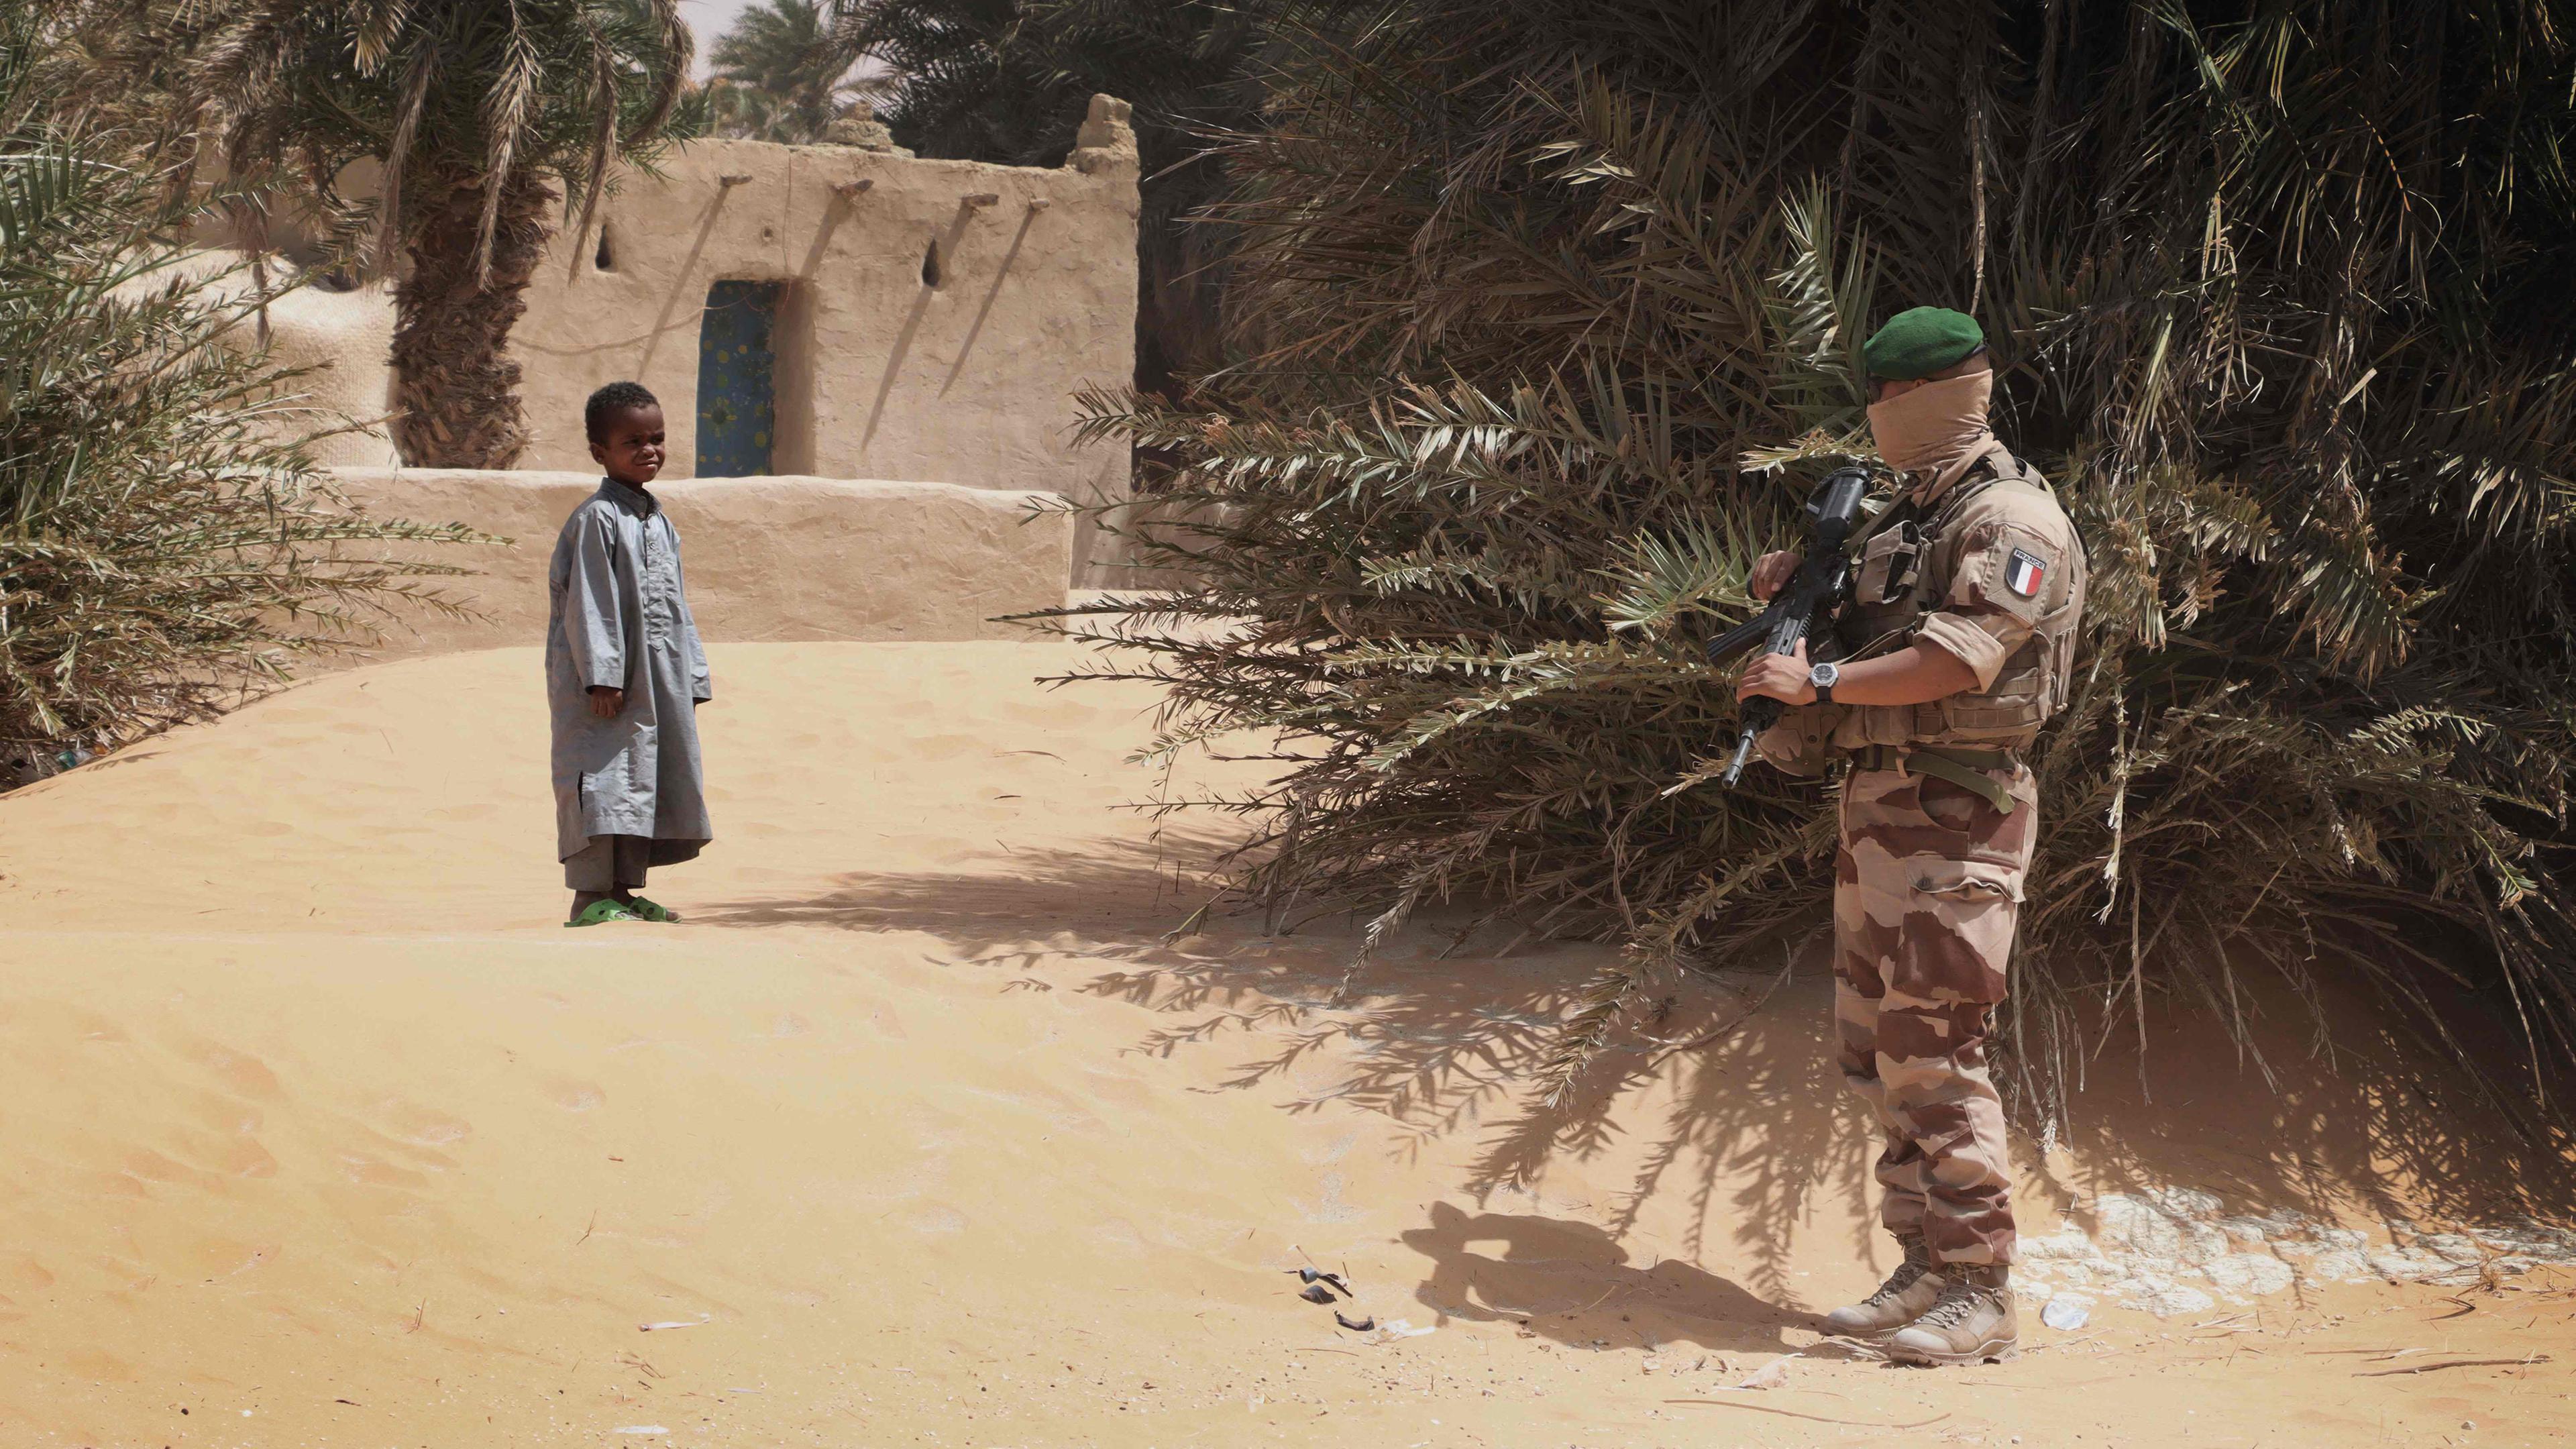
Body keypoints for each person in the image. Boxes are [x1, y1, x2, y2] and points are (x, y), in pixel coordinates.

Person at [1733, 307, 2086, 1365]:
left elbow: (1959, 656)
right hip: (1884, 812)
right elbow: (1879, 636)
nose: (1877, 416)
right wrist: (1795, 603)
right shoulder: (1911, 519)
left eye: (1885, 398)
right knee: (1882, 1057)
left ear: (1931, 396)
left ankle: (1980, 1292)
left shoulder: (2012, 520)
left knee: (1937, 1049)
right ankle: (1927, 1265)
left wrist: (1823, 679)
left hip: (1962, 812)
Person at [547, 381, 715, 927]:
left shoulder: (659, 521)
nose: (649, 450)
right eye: (632, 441)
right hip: (607, 688)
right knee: (602, 779)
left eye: (657, 439)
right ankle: (588, 896)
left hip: (656, 681)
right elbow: (589, 602)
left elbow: (677, 606)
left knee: (642, 780)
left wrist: (690, 675)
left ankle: (621, 891)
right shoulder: (598, 519)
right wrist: (602, 677)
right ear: (600, 452)